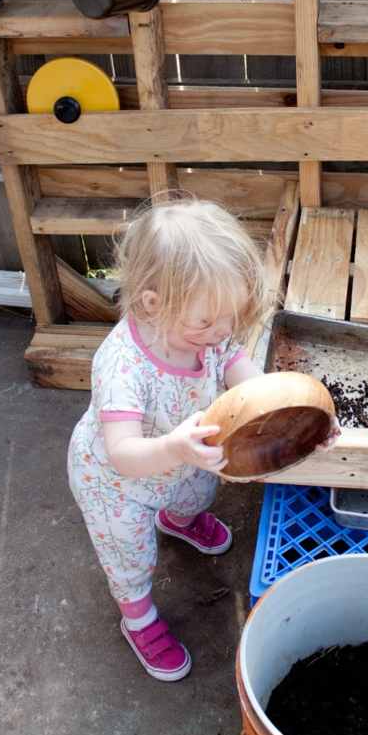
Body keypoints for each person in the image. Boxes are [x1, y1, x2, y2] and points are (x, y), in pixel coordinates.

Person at [67, 197, 267, 682]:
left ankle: (180, 521)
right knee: (130, 553)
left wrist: (279, 407)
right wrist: (175, 448)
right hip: (117, 484)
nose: (221, 332)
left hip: (179, 455)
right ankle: (137, 618)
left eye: (229, 317)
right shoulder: (123, 367)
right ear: (153, 302)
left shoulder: (209, 332)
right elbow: (124, 453)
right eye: (207, 322)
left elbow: (241, 368)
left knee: (198, 490)